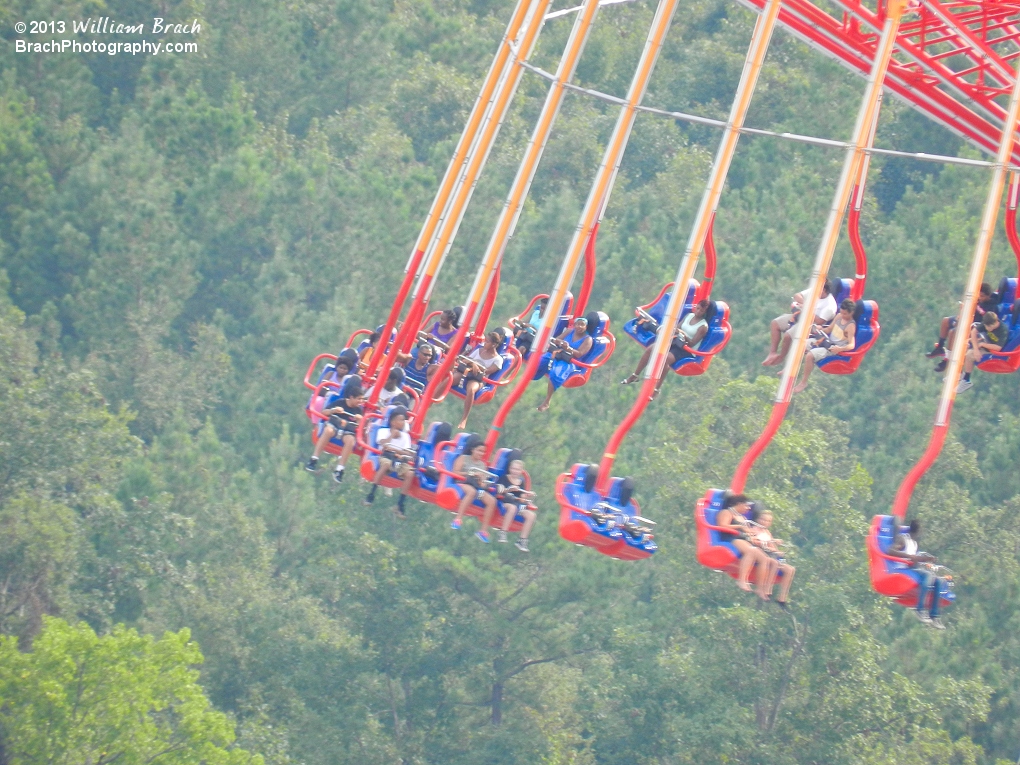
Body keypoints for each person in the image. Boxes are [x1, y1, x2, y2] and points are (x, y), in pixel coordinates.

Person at [621, 300, 711, 395]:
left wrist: (683, 334)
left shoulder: (703, 326)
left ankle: (656, 389)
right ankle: (635, 375)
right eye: (697, 308)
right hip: (676, 340)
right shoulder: (689, 316)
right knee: (651, 349)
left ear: (705, 312)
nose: (698, 311)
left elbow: (692, 343)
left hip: (686, 349)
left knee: (666, 358)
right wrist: (673, 330)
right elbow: (677, 327)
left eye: (701, 310)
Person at [887, 519, 947, 629]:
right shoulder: (903, 539)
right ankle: (920, 609)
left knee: (938, 580)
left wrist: (926, 559)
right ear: (918, 531)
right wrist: (909, 557)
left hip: (910, 568)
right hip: (901, 569)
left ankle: (934, 615)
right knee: (928, 576)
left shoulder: (914, 544)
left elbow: (914, 560)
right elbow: (890, 551)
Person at [763, 280, 837, 367]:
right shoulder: (814, 292)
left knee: (788, 335)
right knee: (775, 323)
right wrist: (804, 304)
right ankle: (773, 352)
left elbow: (820, 321)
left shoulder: (830, 306)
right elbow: (797, 295)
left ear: (823, 290)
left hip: (811, 325)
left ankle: (781, 357)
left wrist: (807, 309)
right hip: (800, 315)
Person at [926, 282, 998, 371]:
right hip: (967, 319)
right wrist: (961, 313)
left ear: (988, 296)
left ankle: (947, 359)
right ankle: (940, 347)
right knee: (945, 321)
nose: (980, 298)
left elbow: (986, 321)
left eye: (982, 296)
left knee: (953, 332)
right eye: (979, 295)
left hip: (975, 327)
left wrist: (976, 311)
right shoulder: (977, 300)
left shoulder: (992, 306)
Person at [792, 298, 857, 393]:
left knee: (810, 355)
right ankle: (791, 368)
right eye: (842, 313)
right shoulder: (839, 316)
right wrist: (818, 330)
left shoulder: (851, 326)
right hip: (825, 340)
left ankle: (804, 382)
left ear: (851, 313)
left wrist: (840, 349)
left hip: (832, 349)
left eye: (845, 314)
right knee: (801, 344)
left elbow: (852, 345)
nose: (843, 315)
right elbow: (829, 329)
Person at [305, 383, 365, 483]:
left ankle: (339, 469)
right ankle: (314, 459)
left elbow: (360, 428)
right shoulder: (340, 403)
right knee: (328, 431)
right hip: (334, 426)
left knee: (350, 441)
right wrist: (334, 410)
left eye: (361, 399)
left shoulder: (358, 410)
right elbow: (324, 412)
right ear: (351, 397)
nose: (360, 402)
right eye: (358, 399)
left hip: (347, 431)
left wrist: (360, 421)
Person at [716, 494, 773, 599]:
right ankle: (742, 580)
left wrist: (753, 537)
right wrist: (740, 527)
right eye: (746, 506)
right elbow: (722, 525)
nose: (747, 509)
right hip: (731, 538)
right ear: (739, 504)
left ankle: (760, 588)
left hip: (743, 538)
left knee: (764, 559)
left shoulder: (741, 517)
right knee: (750, 551)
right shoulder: (727, 512)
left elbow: (746, 530)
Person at [364, 406, 415, 516]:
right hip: (386, 457)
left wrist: (396, 450)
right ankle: (371, 493)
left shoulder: (406, 436)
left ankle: (400, 504)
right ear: (393, 421)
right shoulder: (383, 431)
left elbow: (408, 452)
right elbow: (383, 444)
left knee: (410, 473)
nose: (403, 423)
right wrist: (392, 435)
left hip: (400, 460)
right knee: (386, 465)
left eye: (404, 421)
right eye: (401, 420)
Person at [537, 315, 593, 412]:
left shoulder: (588, 339)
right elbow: (556, 339)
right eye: (578, 324)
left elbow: (579, 354)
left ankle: (547, 401)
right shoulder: (569, 331)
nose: (579, 327)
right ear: (574, 325)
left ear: (585, 327)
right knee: (538, 361)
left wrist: (569, 349)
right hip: (558, 353)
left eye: (582, 325)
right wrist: (561, 342)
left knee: (556, 373)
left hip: (570, 361)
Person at [450, 330, 504, 429]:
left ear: (493, 345)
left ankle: (464, 418)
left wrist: (476, 366)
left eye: (487, 342)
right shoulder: (479, 350)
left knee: (471, 389)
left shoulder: (498, 360)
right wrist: (472, 364)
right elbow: (466, 360)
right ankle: (432, 395)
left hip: (478, 379)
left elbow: (487, 371)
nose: (484, 343)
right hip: (466, 373)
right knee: (451, 379)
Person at [450, 435, 498, 542]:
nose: (481, 454)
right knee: (471, 492)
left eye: (483, 452)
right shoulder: (463, 458)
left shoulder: (482, 465)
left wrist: (482, 481)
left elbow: (483, 483)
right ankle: (458, 519)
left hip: (476, 485)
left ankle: (483, 531)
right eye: (479, 451)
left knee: (492, 501)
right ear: (473, 450)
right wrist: (471, 473)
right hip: (463, 481)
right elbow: (455, 472)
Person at [750, 509, 795, 608]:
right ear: (758, 519)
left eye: (768, 521)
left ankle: (782, 598)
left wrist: (778, 551)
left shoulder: (767, 532)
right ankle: (767, 589)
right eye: (763, 520)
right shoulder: (754, 529)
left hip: (771, 553)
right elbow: (755, 542)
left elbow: (772, 547)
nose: (765, 522)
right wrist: (772, 542)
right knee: (774, 563)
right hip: (761, 553)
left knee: (790, 569)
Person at [956, 309, 1010, 392]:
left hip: (993, 350)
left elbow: (998, 347)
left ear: (995, 323)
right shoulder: (987, 322)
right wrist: (976, 348)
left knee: (970, 354)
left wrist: (981, 345)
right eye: (985, 326)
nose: (987, 328)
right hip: (985, 342)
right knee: (965, 344)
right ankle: (959, 373)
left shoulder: (1002, 330)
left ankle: (966, 380)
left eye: (988, 327)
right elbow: (974, 331)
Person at [493, 456, 537, 552]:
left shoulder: (521, 482)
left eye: (517, 469)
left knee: (531, 515)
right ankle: (503, 532)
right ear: (509, 469)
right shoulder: (504, 478)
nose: (515, 471)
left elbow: (521, 498)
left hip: (517, 504)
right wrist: (509, 489)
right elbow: (498, 491)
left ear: (521, 471)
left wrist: (527, 495)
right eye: (513, 469)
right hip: (504, 502)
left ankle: (522, 540)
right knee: (512, 508)